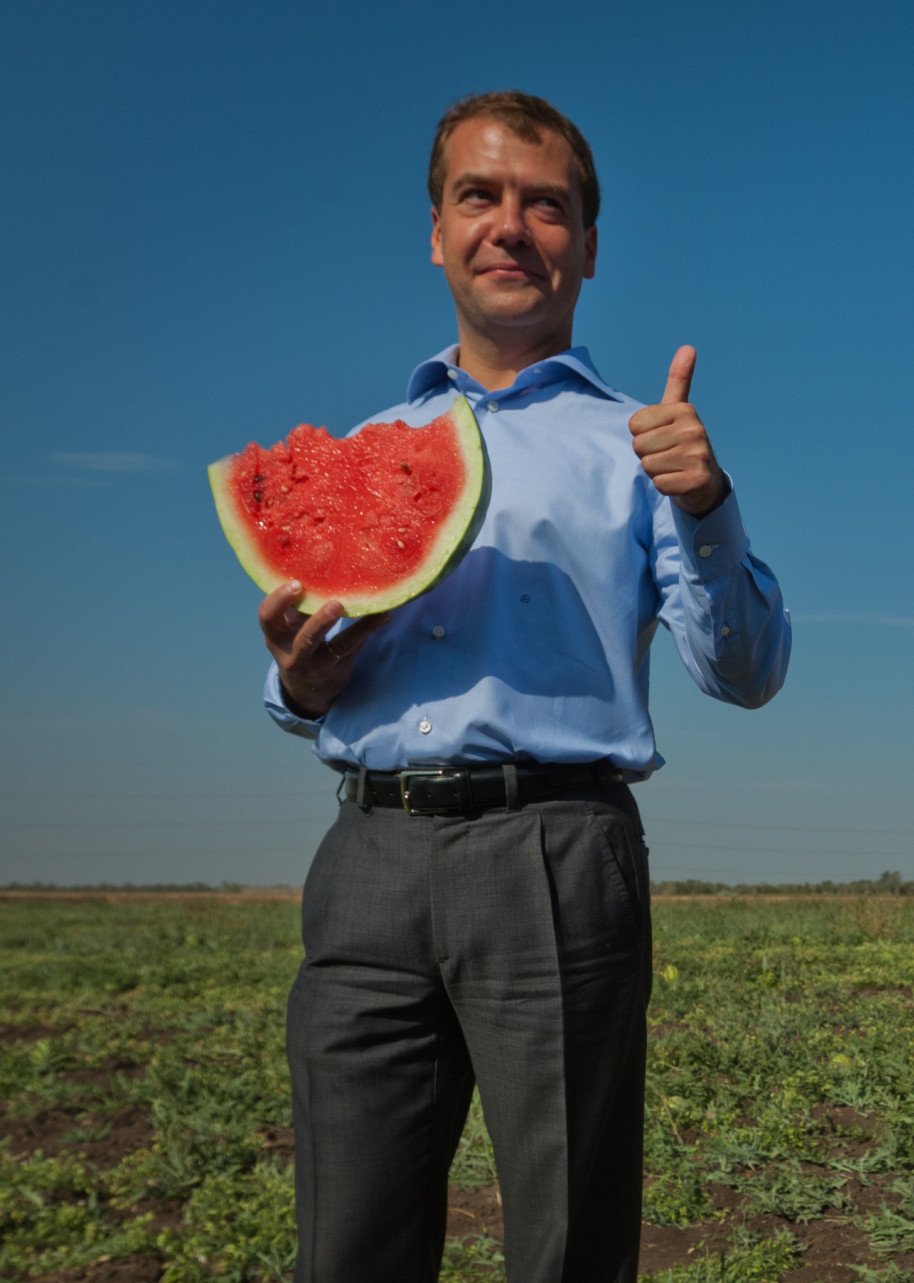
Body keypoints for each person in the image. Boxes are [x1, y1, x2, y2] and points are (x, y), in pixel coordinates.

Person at [252, 91, 790, 1281]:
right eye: (477, 196)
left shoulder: (642, 444)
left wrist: (705, 504)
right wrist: (301, 678)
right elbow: (296, 687)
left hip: (554, 847)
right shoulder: (364, 446)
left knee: (561, 1242)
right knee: (343, 1244)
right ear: (436, 232)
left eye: (546, 204)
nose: (511, 225)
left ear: (587, 245)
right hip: (366, 863)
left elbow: (743, 672)